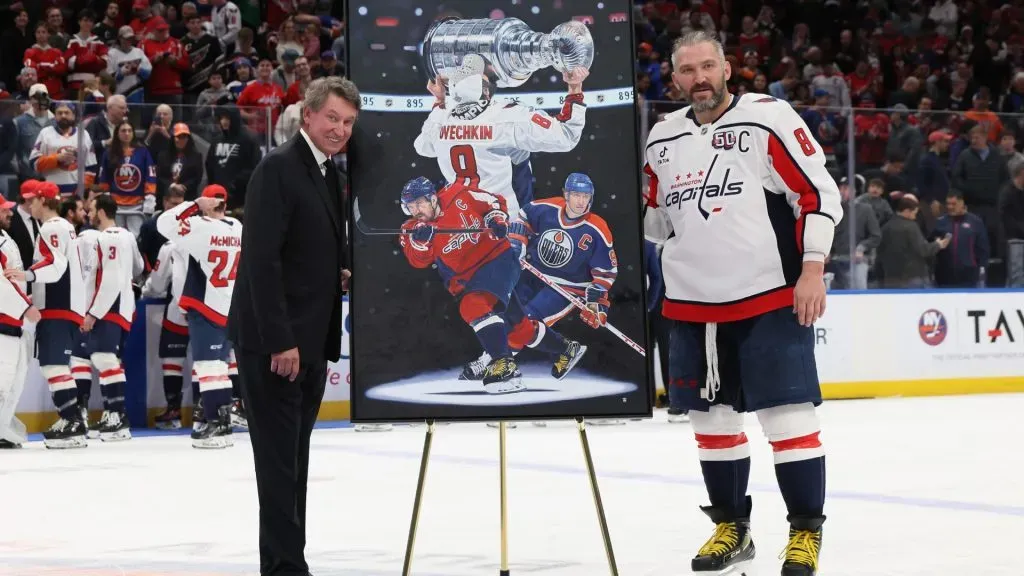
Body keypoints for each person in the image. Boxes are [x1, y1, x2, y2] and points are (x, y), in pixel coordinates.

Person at [642, 31, 843, 575]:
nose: (699, 78)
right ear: (674, 77)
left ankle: (804, 532)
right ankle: (732, 527)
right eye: (687, 70)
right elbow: (656, 221)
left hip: (770, 295)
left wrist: (813, 268)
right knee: (711, 424)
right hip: (691, 305)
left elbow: (817, 195)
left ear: (727, 68)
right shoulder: (661, 138)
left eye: (708, 66)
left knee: (789, 420)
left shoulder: (767, 118)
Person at [227, 75, 357, 574]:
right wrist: (281, 340)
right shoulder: (277, 168)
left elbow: (304, 249)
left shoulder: (328, 174)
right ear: (308, 115)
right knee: (280, 467)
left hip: (310, 342)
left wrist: (336, 271)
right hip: (275, 345)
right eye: (332, 119)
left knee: (294, 465)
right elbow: (261, 262)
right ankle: (284, 568)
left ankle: (286, 562)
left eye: (347, 123)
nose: (339, 130)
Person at [413, 52, 590, 218]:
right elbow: (567, 136)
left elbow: (423, 147)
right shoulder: (506, 116)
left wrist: (439, 100)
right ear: (486, 90)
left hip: (460, 224)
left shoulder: (442, 118)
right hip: (505, 225)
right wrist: (575, 88)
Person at [397, 176, 526, 393]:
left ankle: (504, 365)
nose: (415, 210)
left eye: (419, 203)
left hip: (496, 261)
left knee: (472, 306)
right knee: (518, 325)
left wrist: (496, 220)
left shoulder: (458, 194)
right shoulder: (410, 228)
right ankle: (509, 363)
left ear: (433, 199)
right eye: (410, 206)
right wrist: (422, 241)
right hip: (470, 278)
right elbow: (418, 261)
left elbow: (493, 201)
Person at [157, 185, 242, 448]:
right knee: (221, 367)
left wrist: (194, 205)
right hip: (230, 305)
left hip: (205, 306)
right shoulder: (238, 227)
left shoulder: (199, 227)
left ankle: (215, 423)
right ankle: (224, 423)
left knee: (207, 368)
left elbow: (164, 223)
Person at [4, 181, 88, 448]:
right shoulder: (63, 227)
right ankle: (74, 419)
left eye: (34, 200)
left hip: (58, 305)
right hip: (62, 303)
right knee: (57, 365)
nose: (30, 205)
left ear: (44, 201)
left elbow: (55, 265)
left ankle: (71, 420)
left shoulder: (52, 228)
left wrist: (27, 275)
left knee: (54, 365)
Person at [79, 194, 143, 440]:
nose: (88, 213)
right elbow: (138, 268)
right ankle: (114, 415)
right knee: (109, 360)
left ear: (103, 212)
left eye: (92, 209)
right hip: (119, 305)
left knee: (104, 358)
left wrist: (93, 312)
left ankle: (117, 416)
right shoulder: (126, 235)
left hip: (109, 307)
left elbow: (112, 278)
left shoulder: (109, 237)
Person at [0, 195, 40, 449]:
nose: (9, 213)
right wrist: (25, 307)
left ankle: (4, 429)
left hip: (12, 322)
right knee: (4, 381)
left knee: (13, 380)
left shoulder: (6, 239)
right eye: (3, 211)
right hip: (4, 321)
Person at [142, 232, 190, 429]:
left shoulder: (171, 245)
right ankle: (224, 409)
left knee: (173, 360)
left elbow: (158, 283)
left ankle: (174, 411)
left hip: (180, 307)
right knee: (216, 361)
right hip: (216, 307)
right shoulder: (224, 234)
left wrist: (144, 291)